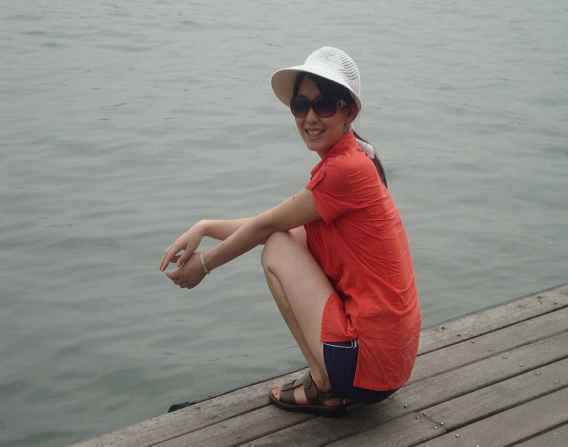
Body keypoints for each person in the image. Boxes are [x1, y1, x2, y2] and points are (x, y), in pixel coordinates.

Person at [159, 47, 421, 417]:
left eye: (324, 105)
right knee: (287, 240)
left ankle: (323, 384)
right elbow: (275, 224)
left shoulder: (344, 171)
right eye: (300, 105)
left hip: (364, 367)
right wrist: (206, 228)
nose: (310, 117)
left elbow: (269, 228)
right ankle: (327, 379)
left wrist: (204, 265)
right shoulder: (360, 158)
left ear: (349, 111)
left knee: (276, 249)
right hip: (388, 364)